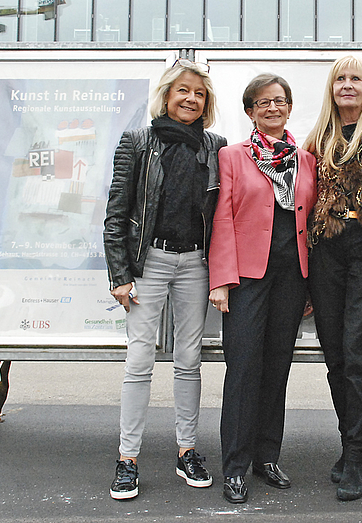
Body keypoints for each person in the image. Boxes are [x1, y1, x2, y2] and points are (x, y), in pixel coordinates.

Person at [103, 60, 226, 500]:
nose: (191, 99)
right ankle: (127, 459)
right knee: (139, 362)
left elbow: (224, 217)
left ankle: (186, 450)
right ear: (167, 95)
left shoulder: (216, 146)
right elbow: (116, 213)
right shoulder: (137, 141)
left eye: (199, 94)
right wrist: (119, 274)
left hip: (196, 264)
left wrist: (222, 274)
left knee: (189, 359)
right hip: (149, 262)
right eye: (183, 91)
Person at [208, 73, 317, 504]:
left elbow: (311, 221)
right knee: (243, 368)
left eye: (279, 101)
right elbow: (223, 216)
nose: (272, 108)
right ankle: (235, 466)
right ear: (250, 111)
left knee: (277, 367)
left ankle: (267, 456)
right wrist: (221, 280)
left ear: (289, 107)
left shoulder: (307, 160)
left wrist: (311, 283)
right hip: (247, 278)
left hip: (293, 277)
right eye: (262, 103)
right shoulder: (233, 156)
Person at [303, 55, 362, 501]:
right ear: (332, 87)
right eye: (340, 78)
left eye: (355, 79)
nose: (347, 85)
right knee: (335, 356)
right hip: (326, 251)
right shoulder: (317, 137)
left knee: (359, 356)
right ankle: (349, 443)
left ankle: (356, 455)